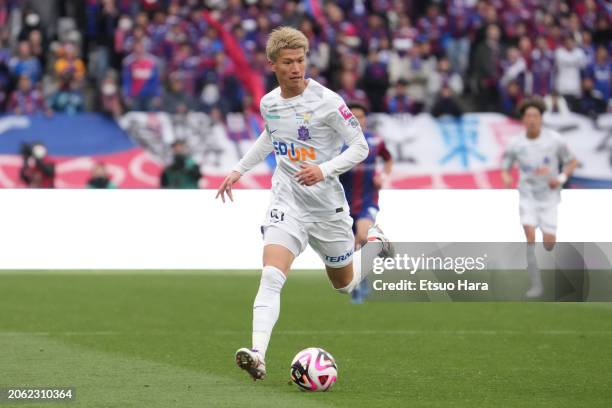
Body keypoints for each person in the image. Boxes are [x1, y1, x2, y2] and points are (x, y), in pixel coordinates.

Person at [215, 27, 392, 381]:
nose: (296, 68)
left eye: (300, 61)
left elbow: (360, 147)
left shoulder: (328, 101)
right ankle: (258, 354)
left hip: (327, 208)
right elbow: (271, 134)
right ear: (273, 65)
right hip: (287, 201)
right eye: (287, 62)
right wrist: (239, 169)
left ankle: (373, 246)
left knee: (343, 285)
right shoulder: (269, 103)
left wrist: (324, 169)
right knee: (270, 274)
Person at [501, 97, 578, 298]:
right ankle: (536, 284)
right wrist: (507, 178)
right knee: (530, 236)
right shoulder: (515, 143)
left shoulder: (555, 140)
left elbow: (572, 162)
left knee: (549, 242)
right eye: (528, 116)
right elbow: (506, 166)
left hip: (549, 198)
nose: (532, 119)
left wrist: (560, 177)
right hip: (527, 196)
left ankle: (557, 274)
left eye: (535, 115)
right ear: (523, 120)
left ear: (541, 118)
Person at [339, 102, 393, 303]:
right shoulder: (337, 142)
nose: (357, 120)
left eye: (360, 117)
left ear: (365, 119)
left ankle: (377, 243)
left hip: (368, 200)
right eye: (352, 117)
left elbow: (388, 159)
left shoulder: (375, 141)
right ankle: (361, 282)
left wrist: (383, 177)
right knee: (349, 247)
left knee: (361, 236)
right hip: (342, 204)